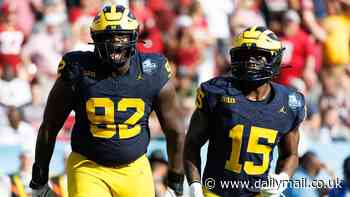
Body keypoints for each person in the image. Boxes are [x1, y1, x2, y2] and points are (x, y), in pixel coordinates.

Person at [29, 4, 185, 197]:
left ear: (134, 36)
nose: (115, 45)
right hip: (88, 167)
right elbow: (50, 125)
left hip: (134, 167)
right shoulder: (78, 69)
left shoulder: (152, 71)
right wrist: (39, 178)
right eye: (108, 38)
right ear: (95, 39)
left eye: (121, 37)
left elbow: (176, 130)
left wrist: (176, 181)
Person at [184, 26, 306, 197]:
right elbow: (192, 144)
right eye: (244, 56)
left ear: (274, 59)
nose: (250, 62)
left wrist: (282, 178)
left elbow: (290, 154)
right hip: (216, 193)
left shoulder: (290, 102)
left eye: (258, 57)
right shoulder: (216, 93)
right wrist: (195, 187)